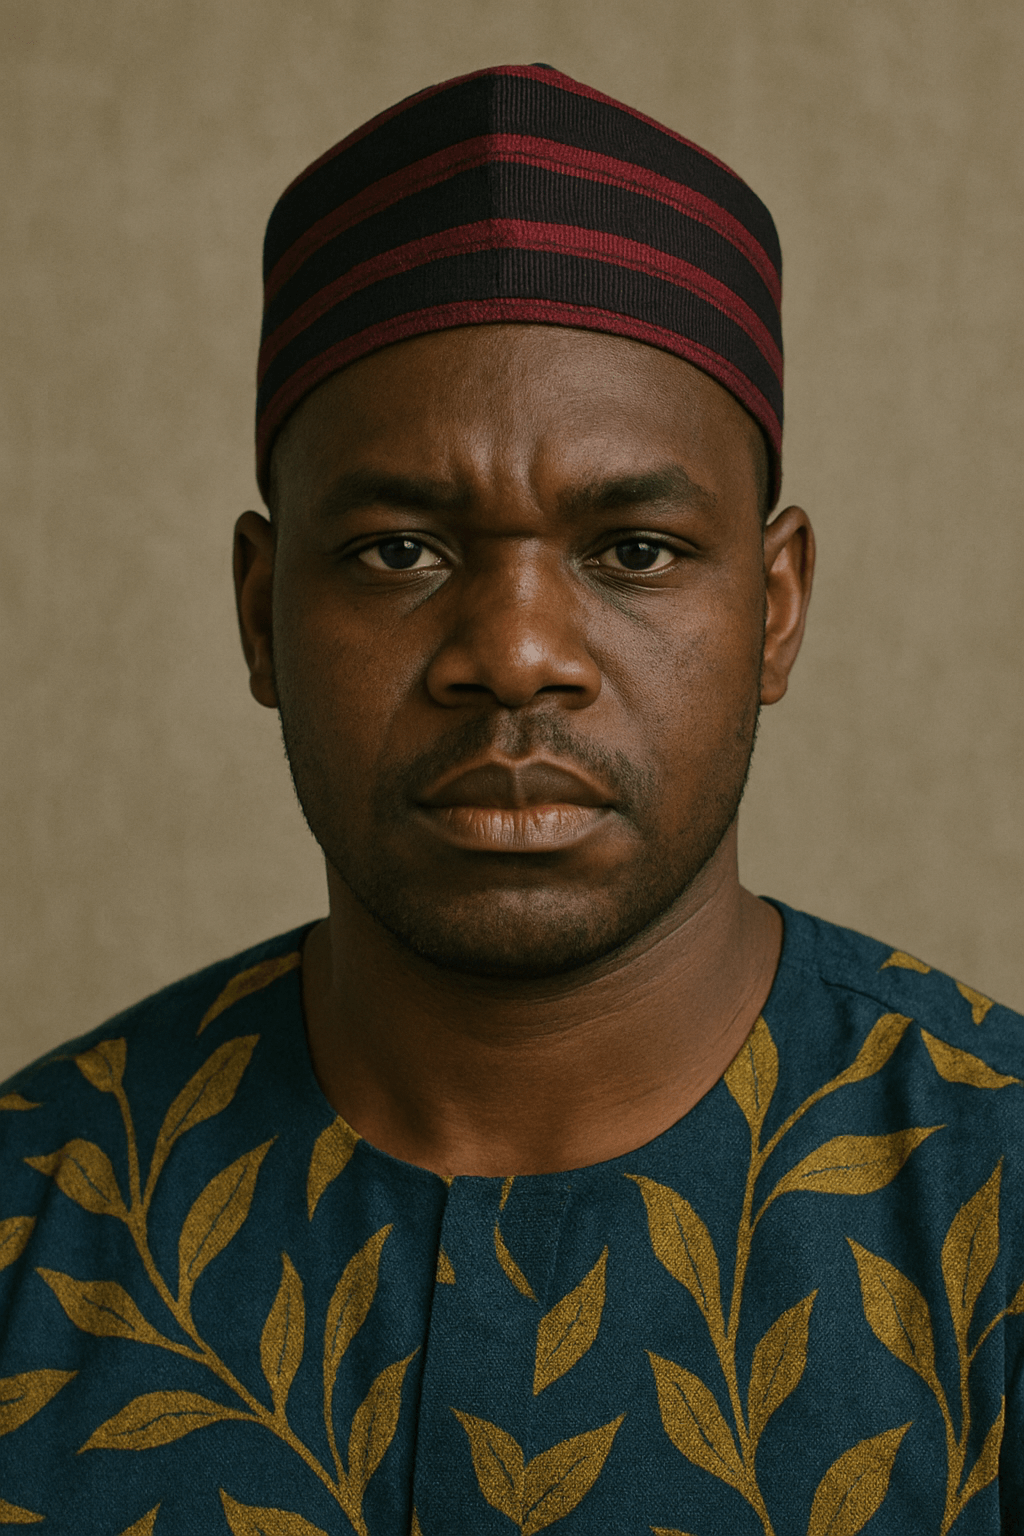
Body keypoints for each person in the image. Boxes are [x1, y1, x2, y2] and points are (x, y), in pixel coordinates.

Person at [1, 63, 1021, 1536]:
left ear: (779, 607)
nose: (517, 653)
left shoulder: (996, 1204)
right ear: (259, 612)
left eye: (636, 552)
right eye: (399, 552)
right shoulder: (35, 1205)